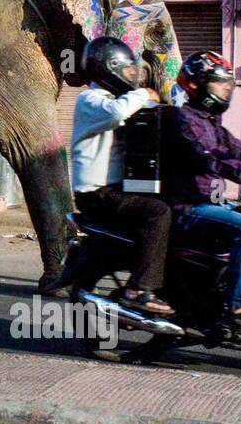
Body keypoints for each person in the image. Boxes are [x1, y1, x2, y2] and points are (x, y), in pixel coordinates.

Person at [162, 51, 241, 342]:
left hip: (209, 203)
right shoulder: (185, 121)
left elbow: (240, 151)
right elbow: (212, 161)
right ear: (197, 85)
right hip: (187, 207)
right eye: (220, 84)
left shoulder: (210, 122)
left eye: (228, 85)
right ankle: (239, 309)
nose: (226, 90)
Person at [64, 37, 173, 313]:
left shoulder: (117, 99)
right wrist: (144, 94)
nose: (131, 76)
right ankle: (137, 290)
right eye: (126, 71)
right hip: (97, 195)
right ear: (108, 68)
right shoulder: (90, 99)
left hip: (116, 190)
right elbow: (116, 113)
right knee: (157, 213)